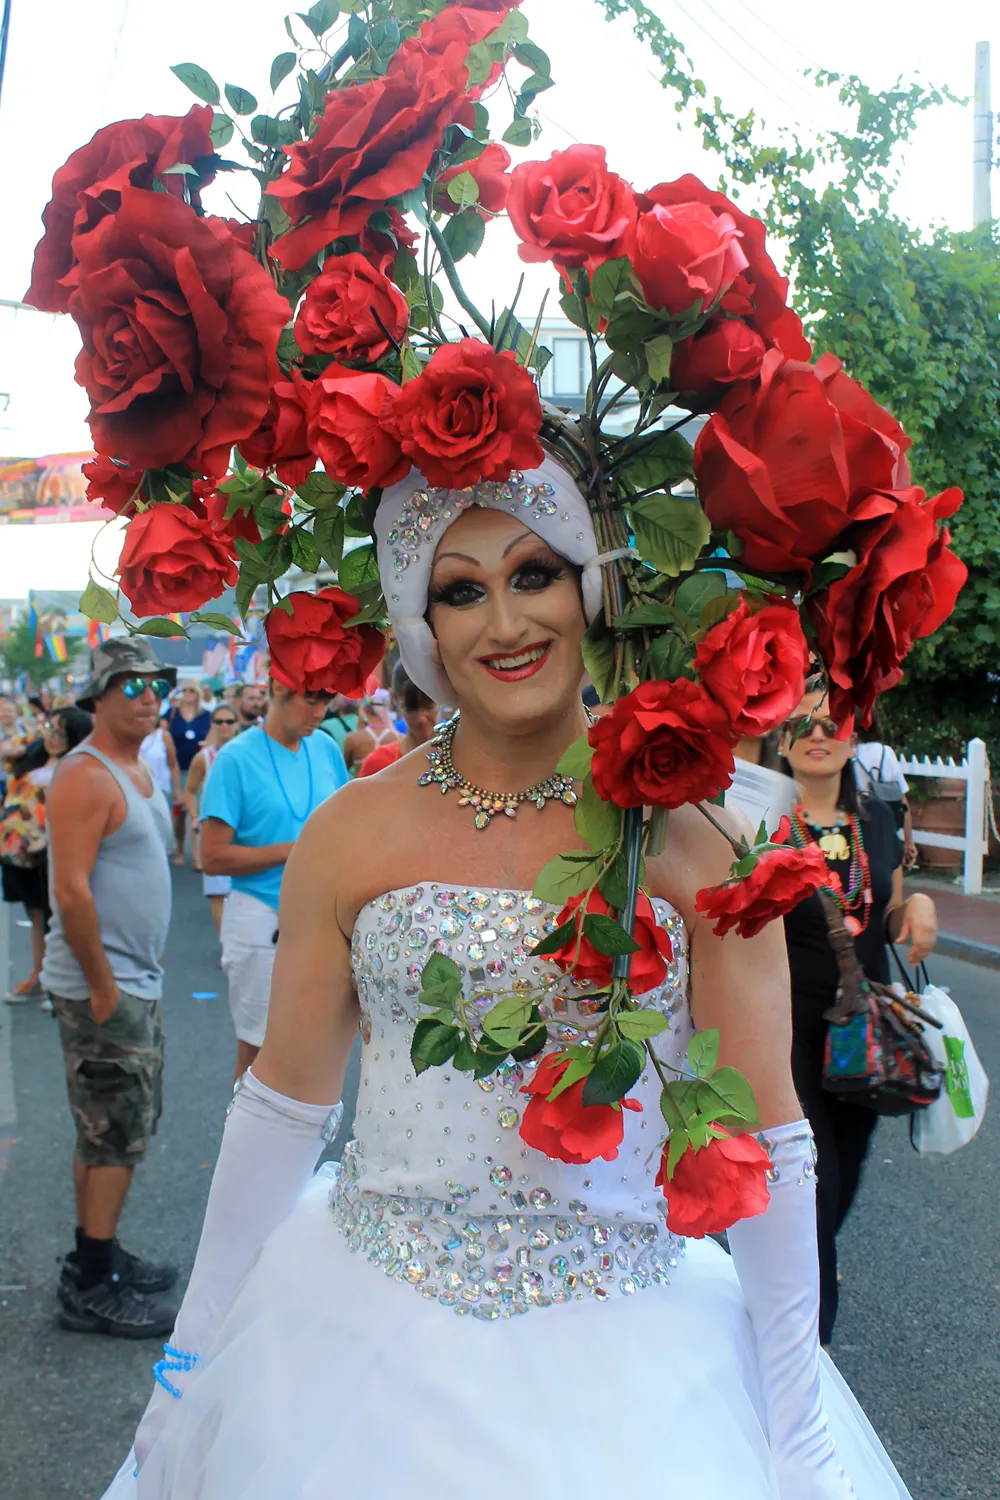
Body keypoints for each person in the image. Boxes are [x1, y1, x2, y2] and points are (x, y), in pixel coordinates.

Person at [111, 464, 914, 1500]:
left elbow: (767, 1135)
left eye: (533, 573)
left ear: (592, 587)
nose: (504, 623)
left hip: (631, 1363)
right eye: (460, 590)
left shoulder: (701, 836)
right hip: (349, 1349)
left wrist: (796, 1423)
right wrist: (188, 1358)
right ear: (423, 627)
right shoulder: (351, 831)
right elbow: (280, 1107)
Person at [780, 686, 938, 1347]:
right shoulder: (758, 823)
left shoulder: (876, 822)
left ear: (853, 736)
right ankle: (809, 1343)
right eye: (802, 724)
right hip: (785, 1028)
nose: (818, 734)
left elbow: (889, 913)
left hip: (862, 1032)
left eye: (832, 723)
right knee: (813, 1178)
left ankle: (815, 1265)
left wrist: (918, 906)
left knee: (845, 1168)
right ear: (782, 738)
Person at [41, 639, 179, 1339]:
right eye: (130, 685)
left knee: (106, 1127)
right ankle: (93, 1286)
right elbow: (70, 891)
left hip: (131, 980)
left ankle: (95, 1252)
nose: (148, 695)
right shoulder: (85, 774)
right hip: (107, 988)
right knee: (116, 1134)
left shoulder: (136, 766)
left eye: (157, 684)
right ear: (98, 697)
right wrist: (102, 989)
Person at [199, 681, 349, 1083]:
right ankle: (243, 1128)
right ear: (279, 688)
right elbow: (212, 857)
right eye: (311, 699)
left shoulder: (325, 748)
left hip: (321, 921)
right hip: (261, 916)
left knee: (315, 1049)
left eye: (326, 700)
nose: (319, 711)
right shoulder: (235, 759)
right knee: (260, 1053)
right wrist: (292, 851)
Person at [2, 707, 92, 1003]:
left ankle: (60, 983)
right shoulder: (31, 755)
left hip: (51, 852)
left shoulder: (76, 766)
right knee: (35, 914)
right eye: (50, 730)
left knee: (57, 918)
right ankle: (39, 976)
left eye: (61, 733)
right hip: (16, 852)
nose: (53, 738)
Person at [183, 705, 240, 939]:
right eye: (219, 722)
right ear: (212, 725)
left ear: (236, 724)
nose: (224, 726)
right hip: (213, 831)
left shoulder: (246, 754)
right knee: (218, 894)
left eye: (229, 721)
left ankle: (238, 940)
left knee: (241, 891)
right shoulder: (203, 758)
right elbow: (189, 791)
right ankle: (225, 944)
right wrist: (195, 816)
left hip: (243, 831)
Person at [854, 713, 917, 870]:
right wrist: (909, 842)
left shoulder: (848, 753)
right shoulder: (886, 752)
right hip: (887, 828)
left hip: (859, 828)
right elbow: (902, 799)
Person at [357, 663, 438, 777]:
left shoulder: (459, 757)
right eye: (410, 709)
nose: (421, 719)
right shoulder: (379, 764)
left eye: (429, 707)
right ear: (394, 697)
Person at [164, 680, 212, 868]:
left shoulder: (206, 716)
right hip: (178, 770)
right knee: (179, 814)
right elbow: (160, 732)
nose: (188, 694)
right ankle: (179, 848)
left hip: (199, 770)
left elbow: (212, 738)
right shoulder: (172, 714)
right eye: (184, 690)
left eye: (191, 690)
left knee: (196, 812)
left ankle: (197, 857)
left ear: (198, 693)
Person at [140, 720, 183, 865]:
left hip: (161, 788)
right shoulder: (135, 735)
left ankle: (161, 855)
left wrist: (177, 789)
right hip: (139, 788)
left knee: (160, 823)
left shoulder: (163, 736)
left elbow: (173, 764)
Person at [340, 688, 401, 774]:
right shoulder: (400, 739)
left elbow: (342, 770)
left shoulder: (353, 739)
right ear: (388, 708)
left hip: (362, 783)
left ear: (365, 709)